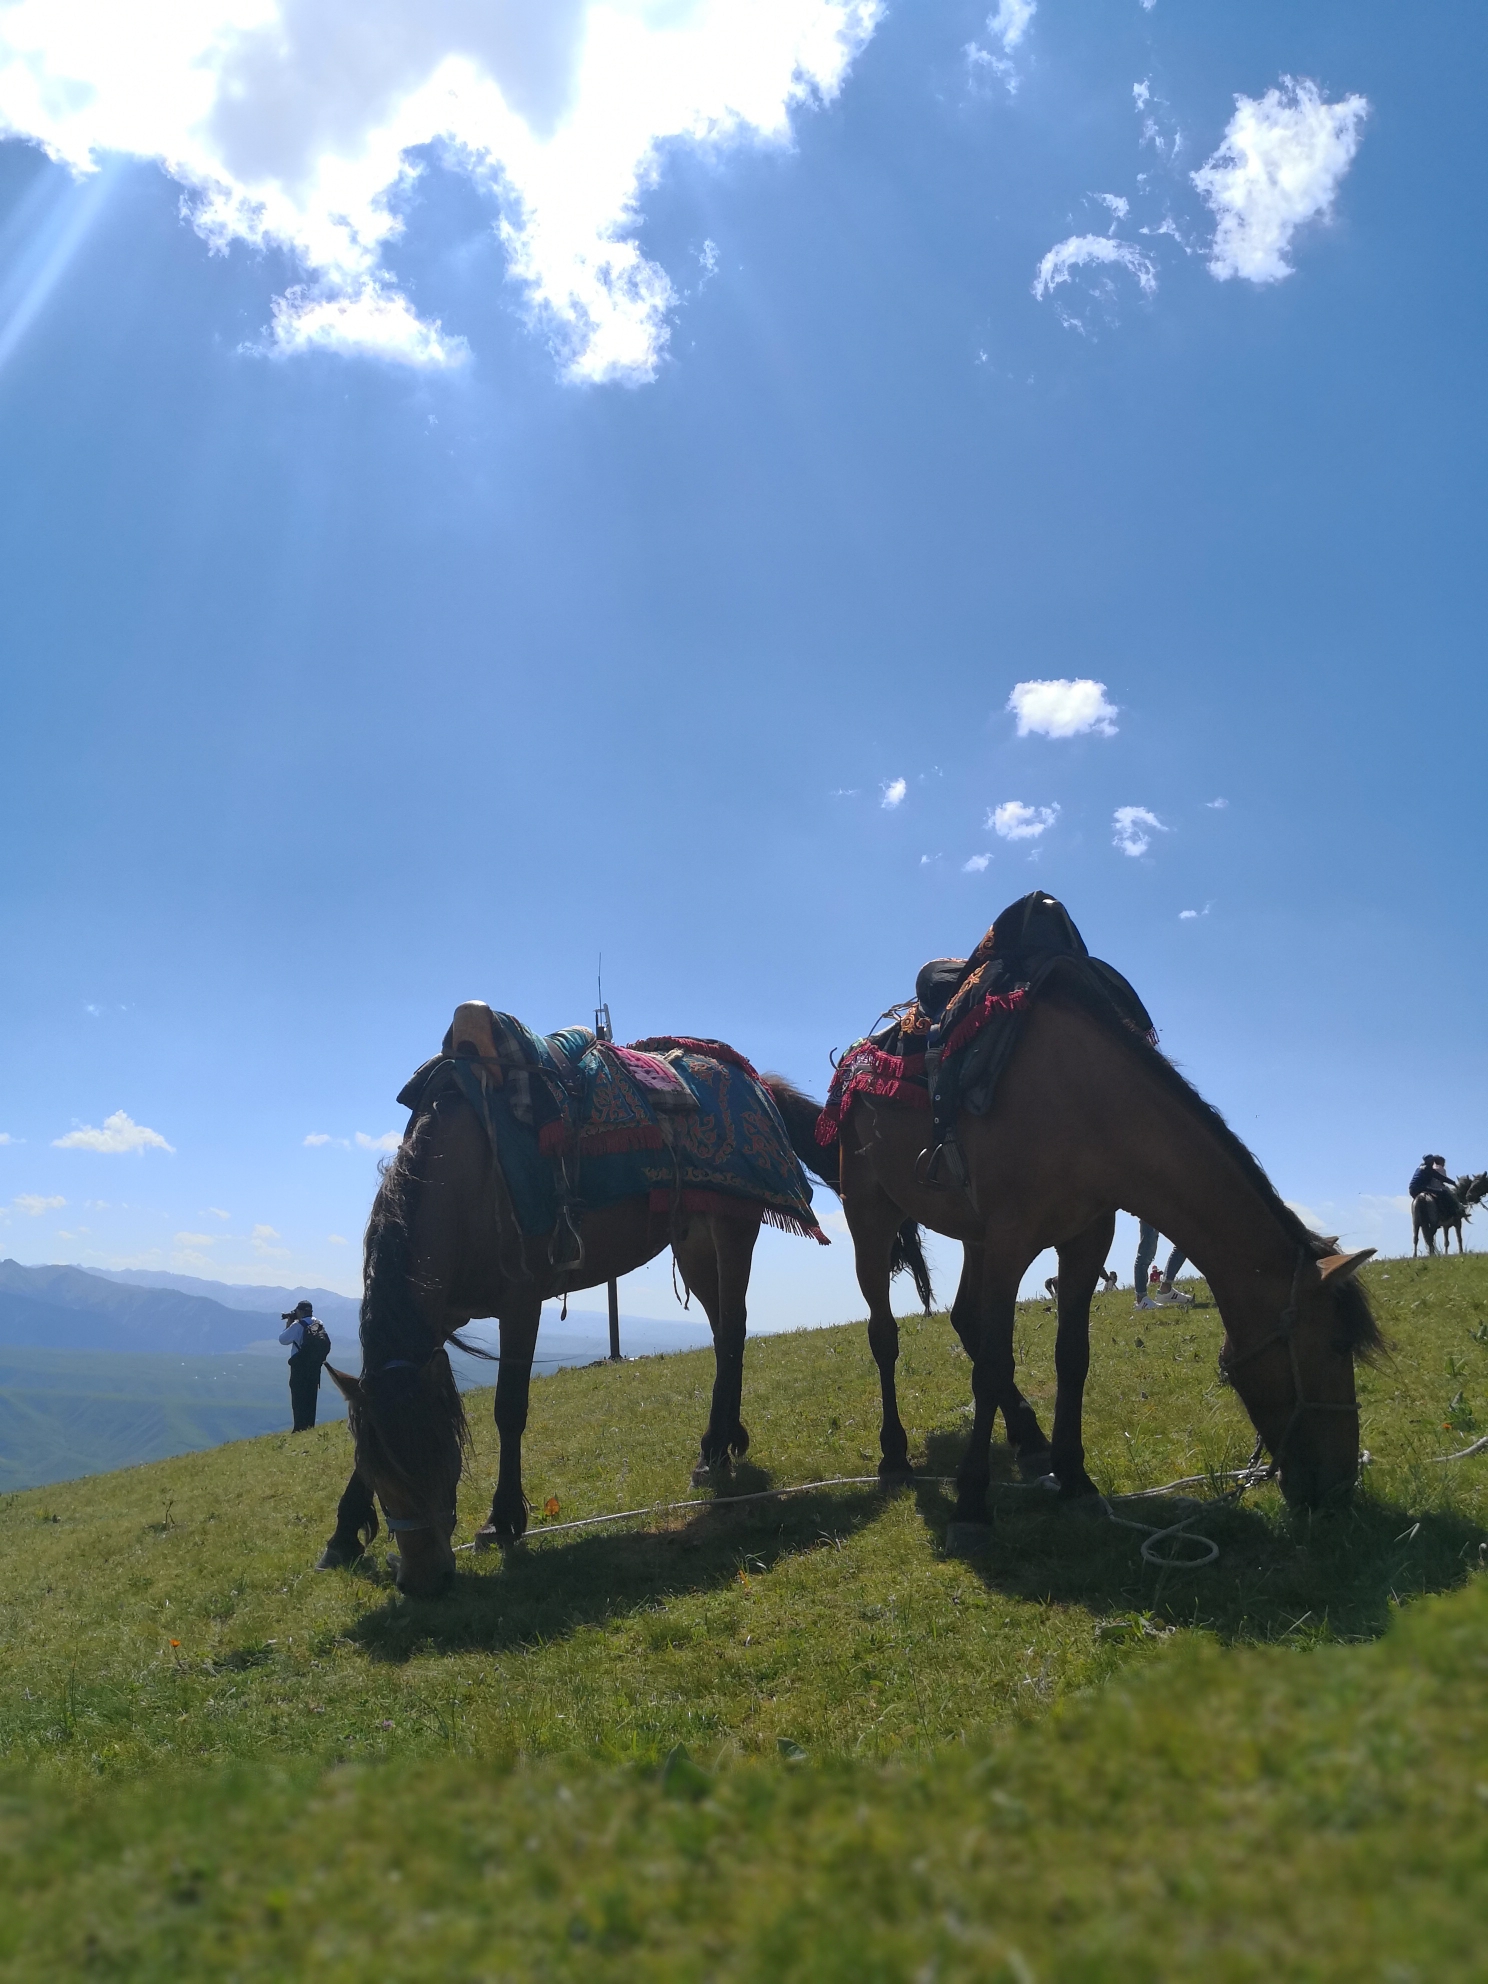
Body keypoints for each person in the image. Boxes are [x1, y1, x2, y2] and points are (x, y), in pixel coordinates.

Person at [278, 1300, 331, 1431]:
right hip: (314, 1367)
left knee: (298, 1398)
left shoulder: (298, 1325)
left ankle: (299, 1428)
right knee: (311, 1397)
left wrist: (289, 1324)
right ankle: (310, 1426)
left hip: (299, 1367)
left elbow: (283, 1340)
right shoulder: (318, 1323)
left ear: (300, 1311)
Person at [1134, 1222, 1191, 1309]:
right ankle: (1141, 1300)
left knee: (1184, 1241)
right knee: (1146, 1253)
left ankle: (1166, 1289)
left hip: (1169, 1209)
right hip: (1149, 1210)